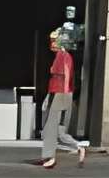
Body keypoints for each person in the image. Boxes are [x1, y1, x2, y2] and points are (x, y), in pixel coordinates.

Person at [37, 20, 88, 168]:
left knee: (51, 127)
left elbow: (65, 76)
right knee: (57, 129)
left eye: (55, 40)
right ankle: (78, 147)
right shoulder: (60, 56)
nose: (52, 43)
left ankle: (49, 157)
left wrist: (64, 95)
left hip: (60, 94)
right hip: (57, 93)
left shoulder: (63, 56)